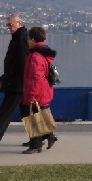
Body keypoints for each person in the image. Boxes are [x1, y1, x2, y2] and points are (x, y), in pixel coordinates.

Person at [0, 14, 29, 149]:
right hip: (18, 83)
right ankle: (39, 138)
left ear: (19, 23)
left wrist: (6, 78)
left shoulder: (20, 39)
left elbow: (20, 64)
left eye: (11, 24)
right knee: (27, 113)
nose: (8, 27)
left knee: (5, 112)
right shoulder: (19, 38)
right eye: (8, 24)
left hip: (17, 84)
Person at [20, 26, 58, 154]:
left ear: (32, 39)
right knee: (38, 115)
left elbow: (35, 78)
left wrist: (31, 95)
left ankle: (35, 145)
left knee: (32, 117)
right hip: (44, 90)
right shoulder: (44, 53)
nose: (28, 41)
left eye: (29, 39)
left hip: (37, 91)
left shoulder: (35, 56)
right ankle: (48, 135)